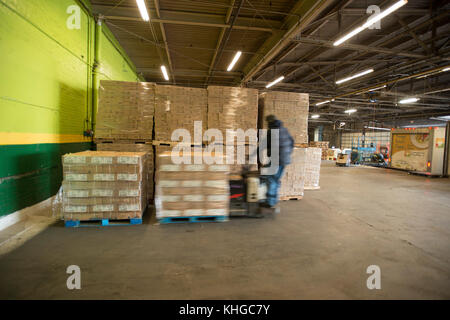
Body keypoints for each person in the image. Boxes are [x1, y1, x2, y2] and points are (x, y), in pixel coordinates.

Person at [259, 115, 294, 210]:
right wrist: (287, 153)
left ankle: (270, 202)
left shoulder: (272, 131)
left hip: (276, 159)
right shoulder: (284, 129)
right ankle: (272, 199)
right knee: (274, 178)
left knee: (271, 179)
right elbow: (292, 142)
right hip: (284, 159)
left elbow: (264, 145)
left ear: (269, 122)